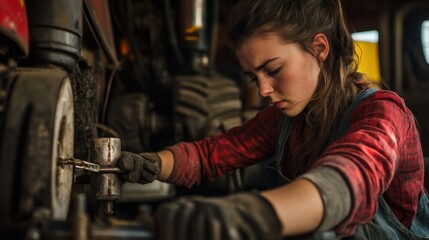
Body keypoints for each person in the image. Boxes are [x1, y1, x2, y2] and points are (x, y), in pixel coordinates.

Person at [117, 0, 429, 239]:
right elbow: (210, 154)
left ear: (319, 48)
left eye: (274, 70)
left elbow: (351, 177)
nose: (264, 90)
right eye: (254, 78)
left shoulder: (384, 115)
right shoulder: (283, 120)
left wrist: (252, 215)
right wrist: (151, 164)